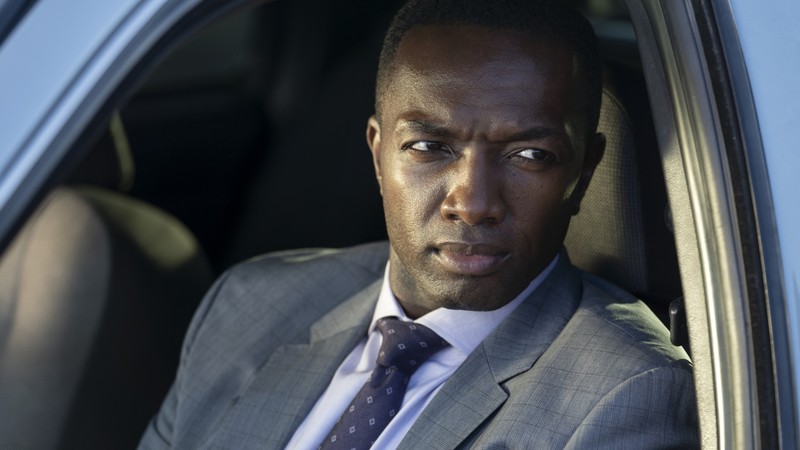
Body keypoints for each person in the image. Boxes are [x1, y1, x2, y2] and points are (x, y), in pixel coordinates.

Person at [139, 0, 699, 448]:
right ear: (378, 154)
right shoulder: (247, 304)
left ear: (584, 171)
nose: (472, 203)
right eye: (429, 147)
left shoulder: (629, 396)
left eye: (530, 156)